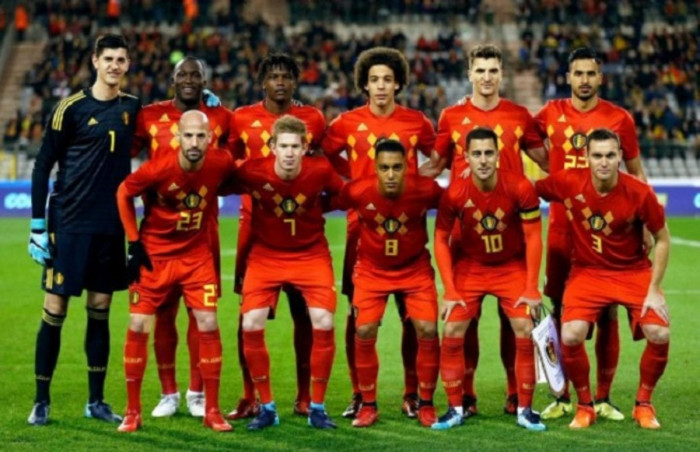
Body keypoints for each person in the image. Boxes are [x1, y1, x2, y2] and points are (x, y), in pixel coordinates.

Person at [426, 44, 548, 418]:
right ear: (469, 74)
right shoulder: (451, 116)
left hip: (512, 233)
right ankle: (467, 395)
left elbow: (547, 161)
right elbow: (435, 166)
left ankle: (515, 394)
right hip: (466, 236)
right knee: (467, 320)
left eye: (493, 70)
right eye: (480, 70)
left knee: (516, 324)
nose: (487, 77)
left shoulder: (519, 115)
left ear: (501, 74)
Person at [27, 34, 141, 426]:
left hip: (109, 225)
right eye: (108, 58)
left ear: (128, 65)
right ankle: (41, 400)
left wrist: (202, 106)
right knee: (55, 308)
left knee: (100, 308)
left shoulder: (132, 107)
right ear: (95, 61)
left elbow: (166, 125)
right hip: (69, 224)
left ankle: (96, 401)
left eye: (121, 59)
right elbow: (42, 165)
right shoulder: (70, 108)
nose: (114, 65)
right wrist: (38, 225)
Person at [321, 46, 436, 419]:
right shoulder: (346, 123)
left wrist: (418, 179)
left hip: (407, 226)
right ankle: (359, 393)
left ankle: (411, 392)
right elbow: (325, 155)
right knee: (358, 318)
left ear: (398, 83)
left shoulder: (416, 122)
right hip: (362, 229)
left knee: (413, 317)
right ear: (365, 85)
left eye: (388, 79)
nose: (381, 86)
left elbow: (439, 157)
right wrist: (353, 178)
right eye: (374, 80)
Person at [534, 47, 647, 421]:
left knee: (608, 308)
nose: (584, 80)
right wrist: (551, 168)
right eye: (578, 73)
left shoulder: (619, 118)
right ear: (568, 77)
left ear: (600, 77)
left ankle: (603, 397)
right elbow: (523, 138)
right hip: (562, 228)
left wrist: (646, 224)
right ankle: (562, 394)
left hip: (606, 229)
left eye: (590, 73)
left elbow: (636, 172)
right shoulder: (550, 113)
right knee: (559, 310)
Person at [535, 128, 670, 429]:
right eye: (597, 155)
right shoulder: (569, 181)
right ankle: (585, 406)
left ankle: (643, 404)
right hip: (587, 272)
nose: (604, 162)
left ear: (620, 156)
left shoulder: (639, 192)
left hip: (633, 272)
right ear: (586, 157)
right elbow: (527, 190)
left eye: (610, 155)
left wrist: (654, 289)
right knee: (571, 335)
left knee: (659, 334)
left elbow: (662, 238)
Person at [116, 110, 235, 433]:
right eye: (189, 136)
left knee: (208, 322)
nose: (194, 142)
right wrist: (133, 242)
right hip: (155, 256)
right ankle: (132, 411)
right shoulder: (158, 168)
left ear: (210, 138)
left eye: (201, 136)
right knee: (138, 324)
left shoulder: (221, 162)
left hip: (196, 256)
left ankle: (212, 410)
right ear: (178, 137)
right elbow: (123, 193)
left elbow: (240, 178)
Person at [226, 53, 326, 420]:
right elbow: (229, 163)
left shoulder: (314, 118)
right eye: (273, 76)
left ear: (295, 81)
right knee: (248, 317)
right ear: (262, 82)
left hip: (300, 227)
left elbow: (325, 162)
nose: (280, 82)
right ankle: (249, 395)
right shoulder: (242, 118)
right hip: (254, 229)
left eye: (286, 76)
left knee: (305, 314)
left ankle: (304, 396)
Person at [230, 115, 343, 430]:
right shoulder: (252, 170)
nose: (290, 152)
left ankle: (317, 407)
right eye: (284, 146)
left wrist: (317, 207)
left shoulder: (320, 170)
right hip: (266, 255)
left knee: (324, 321)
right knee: (250, 323)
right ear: (272, 147)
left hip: (311, 254)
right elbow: (218, 180)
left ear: (305, 147)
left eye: (295, 146)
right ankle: (267, 407)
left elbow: (344, 196)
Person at [336, 139, 442, 428]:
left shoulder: (425, 189)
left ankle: (426, 403)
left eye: (397, 167)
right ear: (375, 168)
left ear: (407, 166)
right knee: (363, 329)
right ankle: (368, 405)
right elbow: (323, 202)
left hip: (414, 269)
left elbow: (455, 204)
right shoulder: (358, 190)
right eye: (384, 168)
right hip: (372, 270)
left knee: (427, 329)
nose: (391, 174)